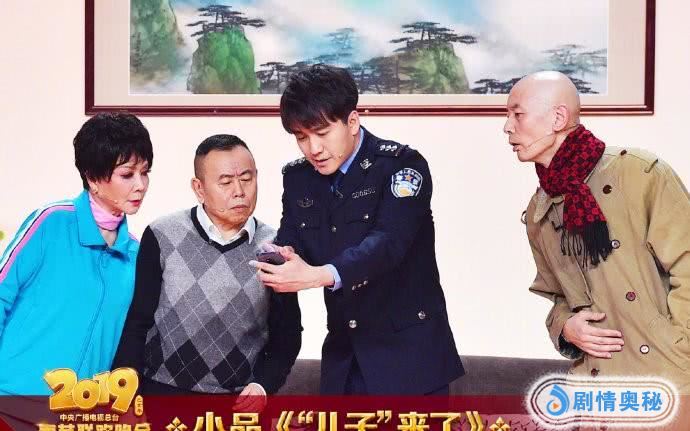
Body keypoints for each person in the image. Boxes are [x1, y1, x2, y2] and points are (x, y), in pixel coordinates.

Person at [250, 64, 463, 395]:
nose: (313, 148)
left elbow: (388, 243)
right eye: (301, 137)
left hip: (410, 361)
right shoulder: (298, 178)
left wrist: (320, 275)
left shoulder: (401, 166)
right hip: (344, 361)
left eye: (322, 133)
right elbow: (292, 241)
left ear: (352, 121)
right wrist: (279, 256)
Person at [504, 71, 690, 392]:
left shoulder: (639, 173)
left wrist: (677, 347)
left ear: (558, 118)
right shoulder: (540, 209)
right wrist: (566, 328)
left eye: (517, 114)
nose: (507, 127)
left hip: (666, 379)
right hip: (594, 383)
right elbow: (558, 297)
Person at [113, 135, 301, 407]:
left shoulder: (275, 248)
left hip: (236, 403)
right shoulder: (162, 234)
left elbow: (288, 333)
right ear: (199, 188)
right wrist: (126, 395)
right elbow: (137, 322)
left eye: (246, 178)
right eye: (225, 182)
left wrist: (263, 385)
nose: (239, 191)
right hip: (160, 395)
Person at [0, 112, 153, 395]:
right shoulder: (51, 223)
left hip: (80, 409)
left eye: (145, 172)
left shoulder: (135, 254)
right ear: (92, 177)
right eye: (127, 174)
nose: (140, 185)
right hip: (12, 398)